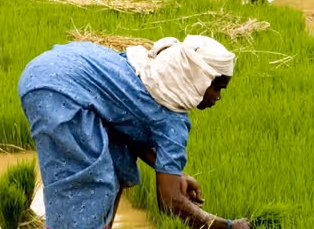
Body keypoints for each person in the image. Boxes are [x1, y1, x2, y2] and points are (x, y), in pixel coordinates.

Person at [18, 36, 250, 229]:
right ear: (198, 78)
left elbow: (129, 129)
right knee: (91, 186)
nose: (218, 97)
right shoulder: (173, 119)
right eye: (217, 87)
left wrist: (174, 173)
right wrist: (226, 226)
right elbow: (170, 202)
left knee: (118, 159)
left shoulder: (150, 74)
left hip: (50, 68)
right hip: (57, 92)